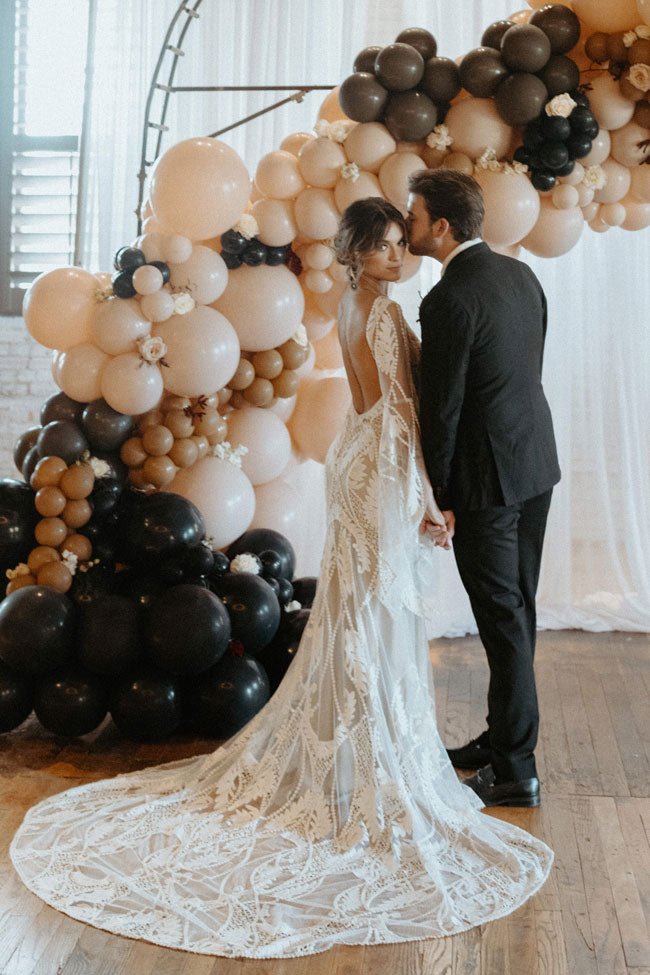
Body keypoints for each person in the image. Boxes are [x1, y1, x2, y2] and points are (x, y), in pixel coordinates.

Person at [10, 197, 552, 959]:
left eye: (406, 241)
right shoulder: (392, 314)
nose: (403, 256)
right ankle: (376, 754)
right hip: (388, 466)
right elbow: (401, 406)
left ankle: (368, 745)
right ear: (365, 253)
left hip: (357, 463)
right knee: (377, 611)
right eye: (392, 246)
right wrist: (433, 498)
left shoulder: (355, 303)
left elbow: (380, 407)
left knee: (360, 609)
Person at [407, 170, 561, 809]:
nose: (408, 225)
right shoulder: (522, 275)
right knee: (515, 610)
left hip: (488, 482)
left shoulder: (448, 300)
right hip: (535, 466)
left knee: (503, 622)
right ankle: (502, 739)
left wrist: (436, 492)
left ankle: (516, 770)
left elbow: (441, 409)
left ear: (441, 226)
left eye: (413, 216)